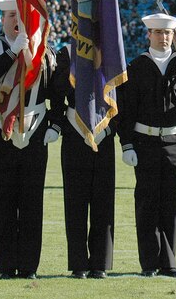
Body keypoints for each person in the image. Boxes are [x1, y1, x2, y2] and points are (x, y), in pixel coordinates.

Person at [0, 0, 58, 280]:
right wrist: (11, 55)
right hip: (0, 133)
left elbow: (55, 92)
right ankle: (6, 266)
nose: (16, 23)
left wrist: (54, 125)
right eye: (12, 17)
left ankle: (29, 266)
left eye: (21, 18)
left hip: (34, 132)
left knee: (33, 203)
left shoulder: (43, 50)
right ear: (3, 19)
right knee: (3, 202)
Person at [117, 13, 176, 278]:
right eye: (158, 33)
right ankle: (148, 263)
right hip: (144, 142)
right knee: (147, 203)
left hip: (175, 141)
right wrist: (127, 145)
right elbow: (127, 110)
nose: (163, 37)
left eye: (167, 34)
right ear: (148, 35)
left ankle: (169, 261)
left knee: (172, 202)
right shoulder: (136, 67)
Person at [49, 45, 115, 279]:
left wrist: (111, 129)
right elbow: (56, 92)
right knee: (75, 202)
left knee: (103, 201)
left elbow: (121, 94)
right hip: (75, 129)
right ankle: (78, 263)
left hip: (104, 130)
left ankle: (100, 263)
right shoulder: (67, 52)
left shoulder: (111, 47)